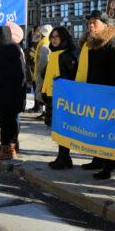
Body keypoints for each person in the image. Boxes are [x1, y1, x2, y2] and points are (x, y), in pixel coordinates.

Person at [75, 11, 115, 180]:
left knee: (108, 131)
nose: (91, 25)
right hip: (94, 95)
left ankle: (112, 166)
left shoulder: (111, 44)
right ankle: (98, 158)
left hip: (108, 96)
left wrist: (111, 93)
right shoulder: (92, 44)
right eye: (89, 22)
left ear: (105, 25)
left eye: (95, 22)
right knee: (96, 130)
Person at [0, 25, 27, 160]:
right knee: (12, 122)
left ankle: (4, 150)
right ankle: (12, 150)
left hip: (0, 96)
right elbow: (23, 74)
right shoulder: (18, 53)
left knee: (4, 123)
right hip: (15, 95)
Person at [43, 27, 78, 169]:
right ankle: (63, 157)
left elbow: (71, 76)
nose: (54, 39)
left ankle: (64, 158)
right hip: (53, 96)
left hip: (63, 97)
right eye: (52, 37)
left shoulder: (67, 55)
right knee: (57, 128)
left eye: (57, 36)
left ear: (63, 38)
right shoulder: (54, 54)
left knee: (63, 128)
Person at [32, 24, 52, 119]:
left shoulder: (44, 44)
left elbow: (43, 60)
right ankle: (45, 111)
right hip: (44, 72)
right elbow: (34, 39)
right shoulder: (46, 42)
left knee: (41, 92)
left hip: (42, 72)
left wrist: (38, 71)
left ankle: (47, 112)